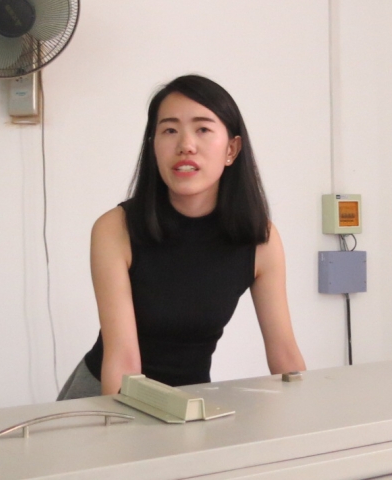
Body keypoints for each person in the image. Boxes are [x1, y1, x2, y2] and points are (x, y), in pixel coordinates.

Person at [58, 74, 305, 400]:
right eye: (170, 130)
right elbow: (123, 360)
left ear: (231, 149)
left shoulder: (261, 239)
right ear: (153, 146)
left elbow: (285, 353)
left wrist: (308, 413)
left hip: (190, 399)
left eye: (202, 129)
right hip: (108, 397)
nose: (186, 145)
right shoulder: (115, 229)